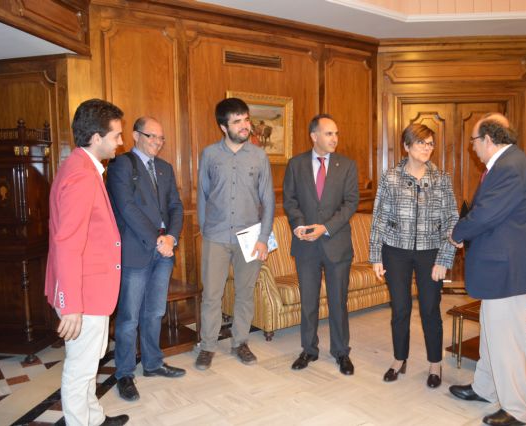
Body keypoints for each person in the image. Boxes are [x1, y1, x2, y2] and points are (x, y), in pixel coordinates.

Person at [449, 113, 526, 426]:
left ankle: (517, 410)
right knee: (493, 333)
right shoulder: (510, 164)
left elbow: (485, 215)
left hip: (511, 271)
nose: (473, 147)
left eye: (474, 141)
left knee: (508, 342)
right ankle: (486, 388)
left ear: (488, 140)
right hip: (503, 269)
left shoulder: (510, 168)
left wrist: (457, 232)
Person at [44, 99, 128, 426]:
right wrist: (71, 305)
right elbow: (67, 244)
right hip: (84, 293)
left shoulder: (81, 167)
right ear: (96, 137)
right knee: (80, 368)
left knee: (89, 362)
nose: (121, 142)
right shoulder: (81, 175)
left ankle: (94, 418)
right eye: (117, 135)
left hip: (90, 290)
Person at [368, 123, 458, 388]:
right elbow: (379, 218)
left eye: (430, 143)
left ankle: (434, 363)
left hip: (430, 252)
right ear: (406, 146)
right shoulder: (390, 177)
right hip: (395, 251)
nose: (427, 148)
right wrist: (376, 256)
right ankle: (399, 359)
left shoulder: (441, 178)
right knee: (400, 308)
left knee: (430, 308)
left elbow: (452, 219)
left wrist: (444, 258)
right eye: (421, 143)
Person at [106, 117, 185, 402]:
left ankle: (152, 363)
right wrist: (157, 239)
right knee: (128, 318)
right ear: (135, 135)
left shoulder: (164, 168)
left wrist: (171, 238)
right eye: (152, 136)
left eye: (161, 139)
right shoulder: (120, 165)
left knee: (154, 312)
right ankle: (125, 373)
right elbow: (126, 207)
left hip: (164, 249)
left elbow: (176, 206)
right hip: (137, 250)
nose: (157, 143)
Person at [196, 97, 275, 370]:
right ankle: (207, 346)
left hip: (250, 236)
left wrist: (264, 238)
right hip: (215, 236)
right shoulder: (209, 155)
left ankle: (240, 342)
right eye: (237, 121)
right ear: (223, 126)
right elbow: (203, 196)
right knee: (212, 295)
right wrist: (206, 230)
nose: (245, 125)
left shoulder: (258, 155)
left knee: (245, 292)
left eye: (246, 119)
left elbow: (268, 199)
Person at [283, 114, 359, 375]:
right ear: (314, 136)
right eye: (329, 134)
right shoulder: (296, 164)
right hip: (306, 245)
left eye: (336, 133)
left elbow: (351, 204)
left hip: (336, 243)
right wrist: (301, 226)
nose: (335, 139)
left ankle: (341, 352)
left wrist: (325, 228)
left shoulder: (347, 165)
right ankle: (309, 350)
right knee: (309, 302)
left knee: (338, 301)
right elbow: (290, 201)